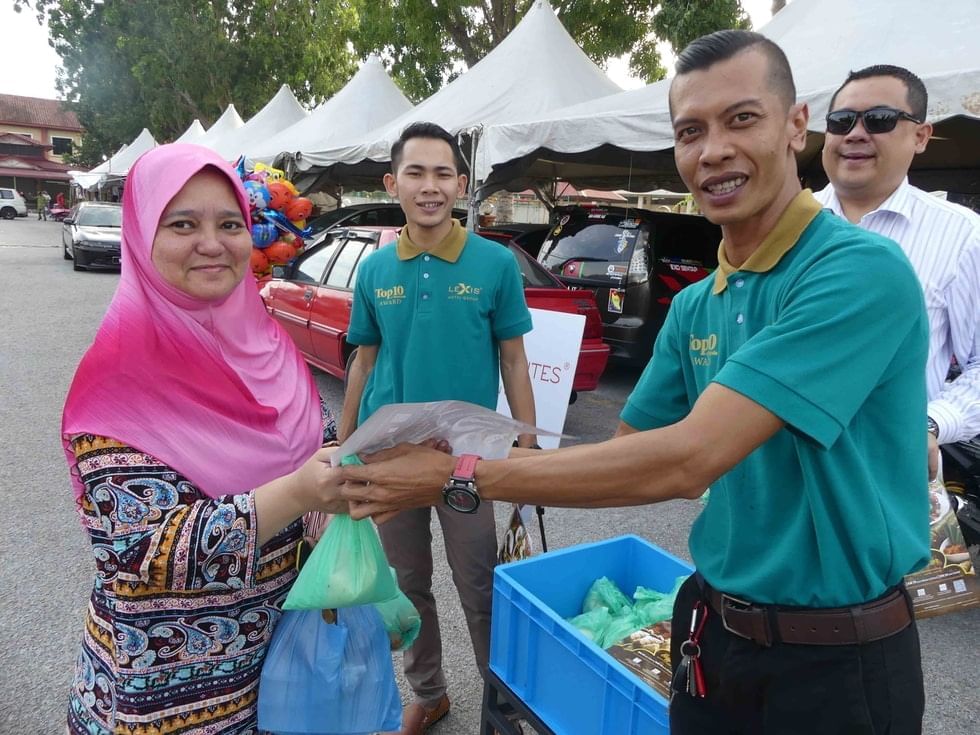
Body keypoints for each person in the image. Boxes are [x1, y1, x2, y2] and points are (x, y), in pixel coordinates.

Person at [342, 31, 930, 735]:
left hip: (839, 662)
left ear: (795, 123)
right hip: (716, 635)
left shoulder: (854, 271)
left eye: (741, 118)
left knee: (477, 589)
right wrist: (484, 466)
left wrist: (455, 474)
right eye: (690, 130)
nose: (712, 149)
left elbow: (689, 458)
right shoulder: (694, 306)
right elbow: (631, 456)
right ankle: (433, 690)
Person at [62, 143, 349, 733]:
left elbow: (314, 449)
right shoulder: (119, 379)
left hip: (279, 668)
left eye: (230, 224)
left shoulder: (268, 345)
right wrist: (300, 492)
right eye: (182, 224)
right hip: (171, 692)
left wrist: (336, 503)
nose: (213, 243)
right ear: (143, 237)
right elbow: (140, 553)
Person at [339, 121, 538, 734]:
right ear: (391, 181)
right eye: (416, 173)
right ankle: (429, 693)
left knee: (481, 587)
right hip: (390, 458)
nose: (430, 186)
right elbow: (363, 362)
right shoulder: (373, 271)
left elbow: (513, 358)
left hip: (466, 459)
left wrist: (525, 446)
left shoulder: (494, 263)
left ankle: (499, 707)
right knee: (406, 587)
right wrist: (344, 448)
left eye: (443, 173)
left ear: (461, 183)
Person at [814, 64, 980, 478]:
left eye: (880, 120)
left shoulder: (962, 236)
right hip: (777, 469)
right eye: (841, 121)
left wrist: (930, 423)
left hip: (887, 472)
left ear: (921, 136)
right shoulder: (781, 225)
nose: (855, 133)